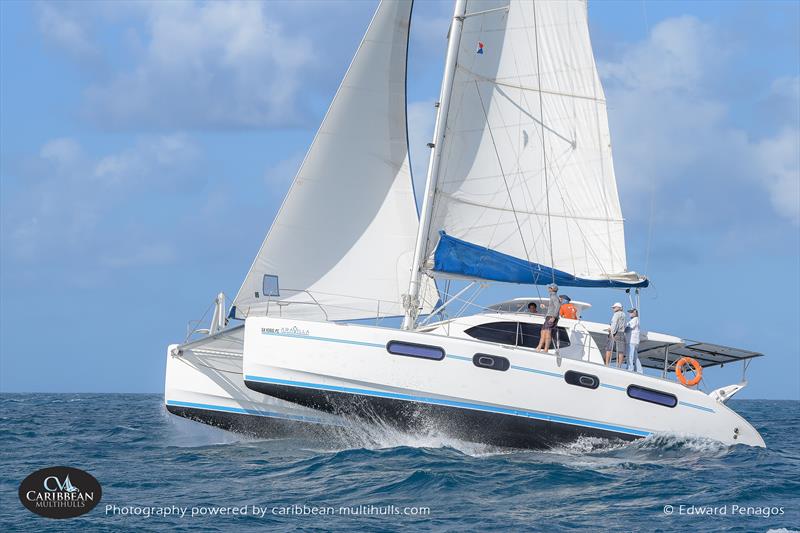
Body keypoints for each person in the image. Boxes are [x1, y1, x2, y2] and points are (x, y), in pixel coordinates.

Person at [536, 284, 560, 352]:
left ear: (552, 289)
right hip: (549, 316)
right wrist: (545, 307)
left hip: (552, 317)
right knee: (543, 332)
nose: (548, 288)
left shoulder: (554, 296)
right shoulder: (552, 296)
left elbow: (557, 306)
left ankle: (545, 349)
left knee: (547, 332)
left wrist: (554, 317)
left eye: (549, 287)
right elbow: (552, 307)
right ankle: (539, 347)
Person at [604, 302, 626, 366]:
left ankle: (607, 364)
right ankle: (619, 365)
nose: (613, 308)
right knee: (620, 350)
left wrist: (612, 333)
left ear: (618, 308)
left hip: (615, 333)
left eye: (614, 307)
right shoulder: (624, 314)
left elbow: (614, 324)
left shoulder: (616, 314)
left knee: (609, 348)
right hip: (621, 333)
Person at [625, 308, 642, 373]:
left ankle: (630, 369)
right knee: (635, 356)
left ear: (635, 313)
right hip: (632, 340)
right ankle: (639, 370)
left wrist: (622, 329)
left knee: (630, 355)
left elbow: (629, 328)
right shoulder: (633, 320)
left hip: (632, 340)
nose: (630, 313)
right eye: (630, 312)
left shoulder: (635, 319)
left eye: (631, 312)